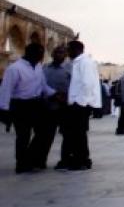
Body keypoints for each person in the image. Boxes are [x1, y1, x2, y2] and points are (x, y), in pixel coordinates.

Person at [0, 43, 55, 173]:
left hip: (36, 104)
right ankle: (21, 164)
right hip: (20, 105)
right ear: (29, 53)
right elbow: (6, 90)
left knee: (44, 132)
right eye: (39, 53)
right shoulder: (15, 69)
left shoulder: (38, 67)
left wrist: (55, 93)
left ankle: (32, 158)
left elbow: (43, 86)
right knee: (23, 136)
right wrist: (4, 110)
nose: (41, 56)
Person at [63, 40, 101, 171]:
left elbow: (88, 83)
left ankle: (81, 160)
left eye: (69, 50)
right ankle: (82, 159)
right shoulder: (79, 62)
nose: (68, 53)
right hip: (77, 103)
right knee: (77, 133)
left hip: (80, 105)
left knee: (78, 134)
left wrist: (80, 102)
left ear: (76, 50)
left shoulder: (85, 62)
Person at [40, 45, 70, 168]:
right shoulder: (44, 68)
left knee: (67, 135)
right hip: (48, 105)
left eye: (62, 53)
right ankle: (40, 160)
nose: (59, 55)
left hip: (64, 106)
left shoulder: (69, 69)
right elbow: (40, 84)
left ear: (65, 55)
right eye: (57, 52)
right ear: (52, 54)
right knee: (45, 135)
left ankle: (65, 160)